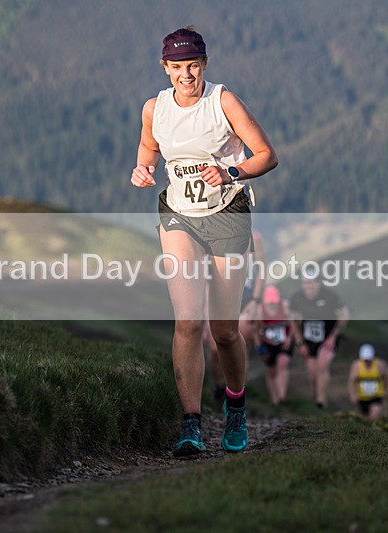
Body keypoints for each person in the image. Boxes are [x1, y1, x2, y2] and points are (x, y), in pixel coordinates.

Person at [131, 27, 278, 456]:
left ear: (205, 64)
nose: (186, 75)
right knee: (189, 323)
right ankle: (191, 425)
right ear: (165, 68)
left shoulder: (223, 102)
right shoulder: (154, 108)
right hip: (179, 218)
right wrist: (142, 170)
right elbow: (148, 148)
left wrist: (232, 173)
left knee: (225, 331)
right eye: (177, 67)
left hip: (228, 218)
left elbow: (267, 155)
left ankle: (235, 407)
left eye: (193, 65)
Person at [205, 228, 266, 403]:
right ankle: (219, 387)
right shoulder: (213, 233)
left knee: (239, 345)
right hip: (219, 298)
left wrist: (256, 300)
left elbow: (261, 269)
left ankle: (237, 397)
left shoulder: (255, 237)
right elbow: (207, 276)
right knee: (215, 349)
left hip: (245, 299)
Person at [289, 266, 349, 409]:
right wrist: (299, 342)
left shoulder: (330, 296)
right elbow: (291, 320)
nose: (308, 287)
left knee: (322, 366)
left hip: (328, 338)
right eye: (305, 283)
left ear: (318, 283)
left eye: (311, 283)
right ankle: (317, 398)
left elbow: (344, 315)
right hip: (308, 340)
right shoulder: (296, 298)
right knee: (313, 373)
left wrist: (333, 336)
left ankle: (321, 402)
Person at [254, 285, 293, 405]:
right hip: (268, 344)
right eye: (269, 302)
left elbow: (293, 325)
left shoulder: (285, 306)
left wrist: (289, 339)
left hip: (284, 342)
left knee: (282, 364)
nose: (272, 304)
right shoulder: (260, 311)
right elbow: (256, 332)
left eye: (274, 302)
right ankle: (274, 399)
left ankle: (282, 396)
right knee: (271, 371)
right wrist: (260, 348)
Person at [348, 344, 388, 420]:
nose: (367, 361)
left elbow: (386, 378)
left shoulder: (379, 364)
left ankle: (374, 429)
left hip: (376, 395)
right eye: (365, 359)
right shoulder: (356, 365)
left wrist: (387, 390)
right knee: (365, 418)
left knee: (374, 414)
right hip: (362, 397)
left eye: (369, 359)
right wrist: (353, 395)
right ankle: (368, 431)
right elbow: (352, 381)